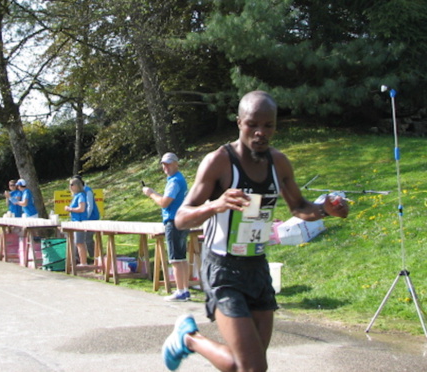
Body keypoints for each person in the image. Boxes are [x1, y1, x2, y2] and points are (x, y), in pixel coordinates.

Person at [161, 91, 349, 371]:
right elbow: (181, 218)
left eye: (268, 125)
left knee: (253, 366)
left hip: (257, 268)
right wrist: (215, 204)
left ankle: (188, 338)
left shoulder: (279, 162)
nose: (261, 132)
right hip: (222, 269)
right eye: (252, 124)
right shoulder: (219, 161)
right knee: (249, 367)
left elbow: (298, 206)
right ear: (239, 122)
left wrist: (324, 210)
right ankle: (189, 339)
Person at [142, 152, 190, 302]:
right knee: (181, 257)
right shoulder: (178, 179)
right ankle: (185, 290)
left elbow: (164, 202)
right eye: (163, 164)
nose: (165, 167)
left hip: (174, 222)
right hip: (182, 220)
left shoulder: (175, 181)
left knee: (175, 258)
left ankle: (180, 290)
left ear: (176, 164)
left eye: (168, 163)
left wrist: (150, 193)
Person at [73, 175, 100, 257]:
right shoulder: (77, 193)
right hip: (81, 219)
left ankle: (94, 257)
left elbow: (90, 206)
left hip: (91, 217)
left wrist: (86, 217)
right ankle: (78, 258)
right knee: (78, 239)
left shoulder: (87, 191)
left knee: (88, 239)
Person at [64, 177, 89, 266]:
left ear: (77, 185)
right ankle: (79, 261)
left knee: (80, 242)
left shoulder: (81, 195)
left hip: (80, 222)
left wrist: (70, 209)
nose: (70, 187)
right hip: (75, 221)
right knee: (77, 242)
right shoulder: (75, 196)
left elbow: (81, 209)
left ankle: (84, 262)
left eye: (72, 185)